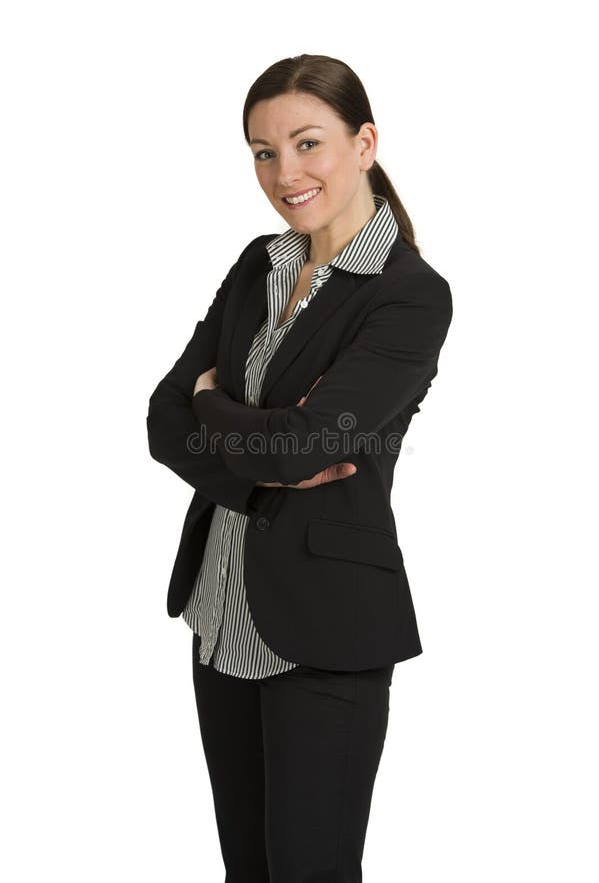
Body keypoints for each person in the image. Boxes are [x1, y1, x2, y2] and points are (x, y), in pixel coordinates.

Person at [147, 53, 453, 882]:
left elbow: (302, 445)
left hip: (327, 629)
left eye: (307, 143)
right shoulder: (259, 263)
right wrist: (254, 449)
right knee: (246, 870)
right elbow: (160, 422)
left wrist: (215, 403)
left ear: (364, 142)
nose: (285, 173)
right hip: (220, 611)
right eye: (262, 152)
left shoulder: (408, 296)